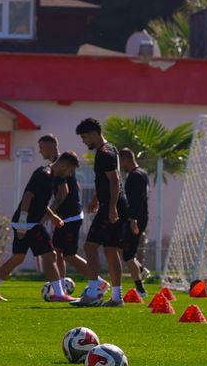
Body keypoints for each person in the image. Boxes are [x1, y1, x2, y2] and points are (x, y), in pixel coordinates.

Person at [0, 151, 81, 302]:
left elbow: (40, 201)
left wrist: (52, 216)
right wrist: (23, 221)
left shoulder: (52, 176)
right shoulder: (44, 174)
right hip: (29, 223)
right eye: (70, 170)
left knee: (18, 258)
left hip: (27, 222)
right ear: (65, 165)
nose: (69, 174)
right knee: (50, 255)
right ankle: (59, 294)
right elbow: (28, 196)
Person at [72, 118, 128, 307]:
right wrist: (97, 197)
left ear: (93, 134)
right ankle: (117, 297)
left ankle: (93, 293)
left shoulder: (104, 153)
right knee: (111, 249)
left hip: (112, 205)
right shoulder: (111, 149)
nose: (84, 141)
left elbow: (114, 180)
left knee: (89, 247)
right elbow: (106, 180)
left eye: (84, 137)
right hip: (115, 203)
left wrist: (111, 207)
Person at [40, 134, 87, 283]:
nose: (40, 151)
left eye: (42, 147)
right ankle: (60, 286)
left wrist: (48, 214)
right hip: (64, 217)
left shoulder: (60, 166)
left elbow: (63, 193)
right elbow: (76, 187)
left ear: (51, 147)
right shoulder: (60, 165)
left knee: (69, 255)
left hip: (70, 217)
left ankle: (98, 282)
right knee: (58, 251)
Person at [118, 148, 151, 297]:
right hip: (137, 217)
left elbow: (138, 200)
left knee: (128, 255)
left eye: (121, 162)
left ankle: (140, 289)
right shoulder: (142, 173)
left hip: (135, 219)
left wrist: (133, 219)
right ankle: (141, 270)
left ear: (125, 159)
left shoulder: (135, 176)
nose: (121, 165)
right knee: (121, 248)